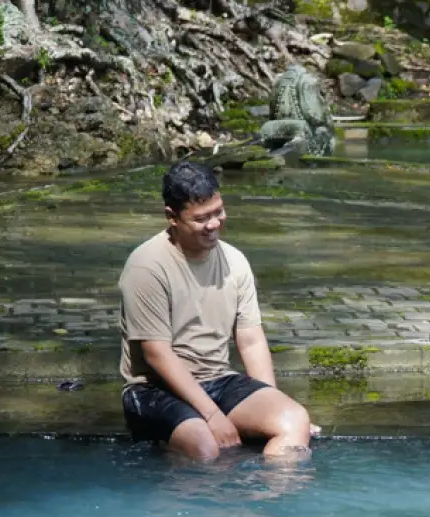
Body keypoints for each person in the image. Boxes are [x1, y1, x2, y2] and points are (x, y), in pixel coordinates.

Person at [118, 160, 315, 463]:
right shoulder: (147, 267)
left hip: (219, 380)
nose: (214, 225)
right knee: (207, 447)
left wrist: (273, 403)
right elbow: (156, 353)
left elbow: (250, 340)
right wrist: (211, 415)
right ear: (172, 217)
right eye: (201, 219)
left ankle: (270, 504)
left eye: (218, 212)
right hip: (155, 389)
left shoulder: (235, 261)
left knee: (294, 421)